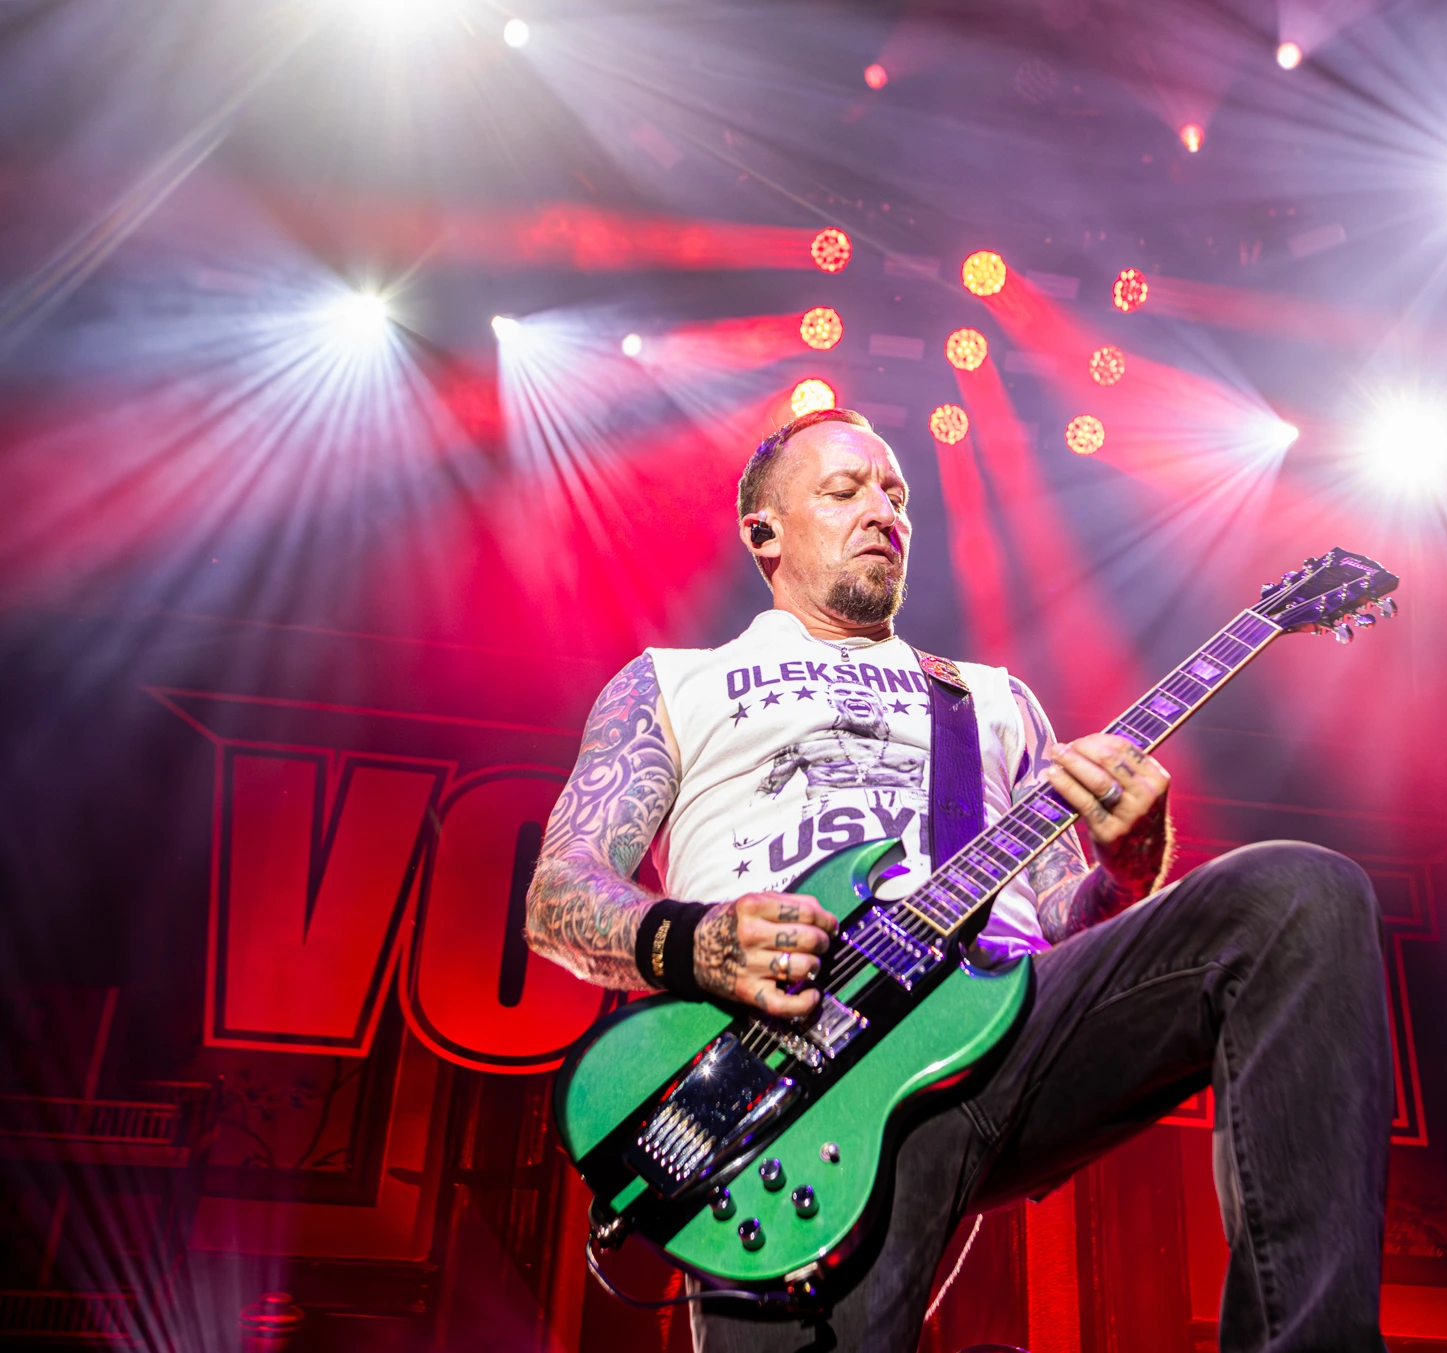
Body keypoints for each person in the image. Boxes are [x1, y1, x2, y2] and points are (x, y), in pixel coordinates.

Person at [525, 409, 1394, 1353]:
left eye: (895, 494)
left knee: (1298, 899)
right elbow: (559, 891)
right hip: (776, 1087)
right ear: (763, 531)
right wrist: (698, 941)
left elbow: (1070, 921)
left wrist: (1128, 863)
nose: (883, 511)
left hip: (1003, 1033)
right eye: (844, 490)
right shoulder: (669, 683)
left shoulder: (990, 698)